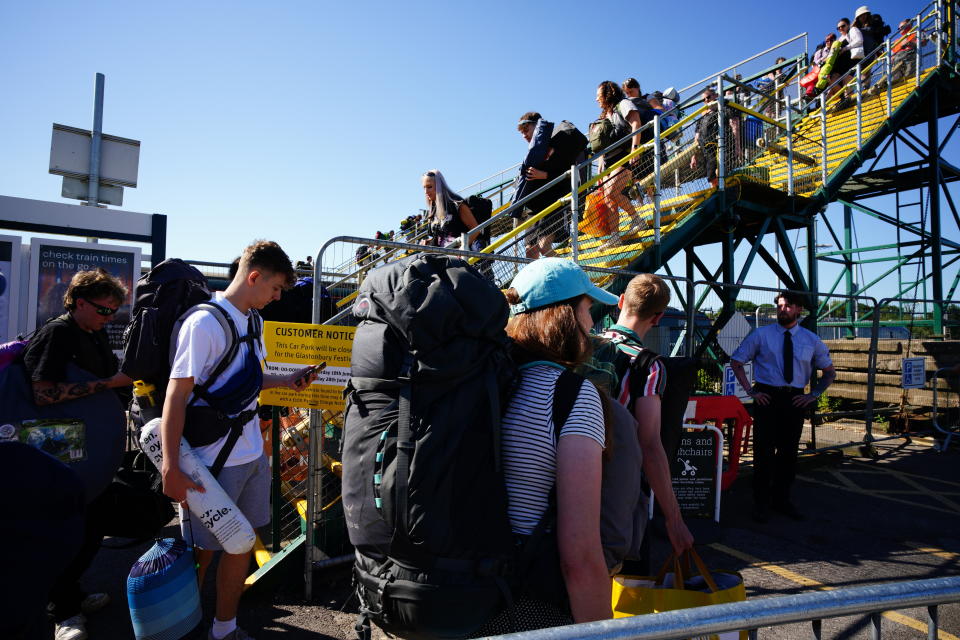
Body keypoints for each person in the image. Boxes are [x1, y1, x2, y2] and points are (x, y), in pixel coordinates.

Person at [160, 241, 319, 640]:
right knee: (202, 550)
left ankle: (224, 627)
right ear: (254, 277)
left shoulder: (253, 321)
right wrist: (169, 467)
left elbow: (247, 379)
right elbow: (175, 397)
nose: (277, 297)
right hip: (211, 460)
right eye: (276, 288)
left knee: (240, 544)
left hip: (251, 453)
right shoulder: (204, 324)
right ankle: (181, 627)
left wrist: (285, 380)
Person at [478, 258, 614, 633]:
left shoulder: (485, 383)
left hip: (457, 595)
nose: (592, 323)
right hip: (525, 604)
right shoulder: (572, 396)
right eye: (587, 310)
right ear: (564, 317)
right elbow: (580, 556)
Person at [21, 268, 132, 640]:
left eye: (114, 311)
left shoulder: (92, 332)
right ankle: (62, 612)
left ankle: (71, 595)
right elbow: (42, 394)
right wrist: (108, 384)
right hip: (56, 450)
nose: (110, 318)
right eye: (104, 310)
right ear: (79, 302)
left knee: (91, 526)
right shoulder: (58, 333)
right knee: (66, 531)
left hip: (86, 450)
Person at [596, 274, 694, 556]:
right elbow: (650, 444)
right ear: (659, 317)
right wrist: (674, 519)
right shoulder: (649, 366)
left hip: (570, 469)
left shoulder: (585, 344)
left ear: (621, 301)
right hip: (617, 481)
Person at [730, 291, 836, 523]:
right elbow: (736, 362)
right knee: (763, 454)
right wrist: (751, 392)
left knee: (788, 454)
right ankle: (760, 503)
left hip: (795, 400)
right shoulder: (761, 335)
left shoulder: (811, 340)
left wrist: (814, 395)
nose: (782, 310)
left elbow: (829, 373)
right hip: (767, 398)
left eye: (787, 306)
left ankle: (782, 500)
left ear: (799, 309)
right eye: (779, 306)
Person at [514, 112, 586, 258]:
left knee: (544, 247)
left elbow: (573, 175)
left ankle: (570, 272)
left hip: (555, 204)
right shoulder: (533, 153)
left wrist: (545, 175)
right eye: (521, 132)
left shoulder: (559, 144)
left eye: (526, 129)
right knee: (530, 250)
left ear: (538, 126)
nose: (524, 135)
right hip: (535, 208)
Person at [595, 81, 648, 245]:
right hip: (609, 161)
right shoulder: (604, 115)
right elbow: (602, 146)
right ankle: (615, 236)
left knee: (612, 193)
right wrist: (599, 170)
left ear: (607, 94)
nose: (596, 99)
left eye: (598, 96)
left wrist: (635, 148)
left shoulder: (623, 104)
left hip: (624, 156)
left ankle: (637, 219)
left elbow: (635, 123)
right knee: (609, 198)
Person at [690, 86, 741, 188]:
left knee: (722, 168)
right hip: (707, 149)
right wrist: (693, 156)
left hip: (725, 144)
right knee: (711, 172)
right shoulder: (703, 117)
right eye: (703, 100)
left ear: (715, 96)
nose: (706, 100)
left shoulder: (725, 108)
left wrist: (737, 146)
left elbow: (735, 125)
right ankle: (715, 188)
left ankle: (721, 189)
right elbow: (696, 137)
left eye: (708, 97)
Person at [420, 170, 482, 250]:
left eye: (429, 187)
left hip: (456, 258)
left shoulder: (457, 204)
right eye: (424, 187)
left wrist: (461, 249)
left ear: (440, 187)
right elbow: (441, 237)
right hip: (440, 257)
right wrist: (429, 242)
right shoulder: (433, 209)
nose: (426, 192)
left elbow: (475, 230)